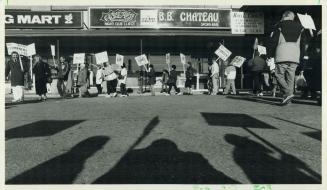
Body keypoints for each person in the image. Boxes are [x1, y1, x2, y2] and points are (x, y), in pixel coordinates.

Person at [267, 11, 308, 104]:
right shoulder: (301, 27)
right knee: (291, 77)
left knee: (278, 75)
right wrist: (301, 56)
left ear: (284, 16)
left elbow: (273, 41)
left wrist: (270, 54)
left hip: (282, 54)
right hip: (295, 55)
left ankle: (287, 93)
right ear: (292, 17)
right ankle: (288, 99)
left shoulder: (279, 25)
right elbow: (303, 44)